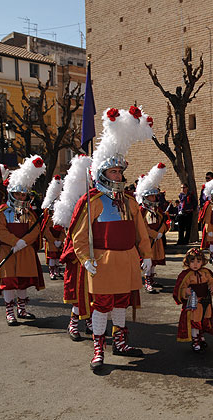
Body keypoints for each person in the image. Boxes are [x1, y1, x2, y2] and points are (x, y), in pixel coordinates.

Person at [69, 105, 154, 370]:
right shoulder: (93, 201)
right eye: (113, 172)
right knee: (101, 306)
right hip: (102, 262)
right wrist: (84, 259)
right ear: (102, 175)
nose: (118, 175)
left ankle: (120, 342)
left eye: (119, 171)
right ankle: (98, 349)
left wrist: (148, 256)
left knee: (121, 303)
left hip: (127, 260)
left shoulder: (129, 201)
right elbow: (80, 236)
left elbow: (141, 233)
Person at [0, 155, 46, 325]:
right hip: (7, 250)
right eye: (18, 194)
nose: (21, 197)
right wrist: (15, 242)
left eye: (24, 195)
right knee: (9, 282)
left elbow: (35, 230)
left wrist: (24, 242)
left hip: (25, 250)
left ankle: (22, 309)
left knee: (23, 281)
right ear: (12, 194)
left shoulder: (29, 213)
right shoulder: (2, 211)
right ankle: (9, 312)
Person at [55, 154, 94, 341]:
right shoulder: (72, 206)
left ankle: (90, 322)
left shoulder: (94, 202)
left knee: (94, 292)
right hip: (78, 256)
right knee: (79, 293)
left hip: (95, 253)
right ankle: (73, 323)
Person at [173, 247, 213, 353]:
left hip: (206, 301)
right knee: (194, 320)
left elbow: (212, 281)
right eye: (192, 261)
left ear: (202, 261)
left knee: (204, 319)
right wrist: (185, 291)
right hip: (194, 302)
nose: (195, 264)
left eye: (198, 261)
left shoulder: (206, 272)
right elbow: (180, 288)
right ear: (187, 262)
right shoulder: (186, 275)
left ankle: (200, 336)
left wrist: (212, 287)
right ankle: (195, 339)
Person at [136, 162, 169, 293]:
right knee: (147, 259)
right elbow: (142, 227)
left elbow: (163, 222)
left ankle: (152, 278)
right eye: (151, 196)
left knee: (155, 260)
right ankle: (147, 281)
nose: (154, 198)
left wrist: (161, 232)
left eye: (154, 195)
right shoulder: (141, 211)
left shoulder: (157, 210)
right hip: (147, 240)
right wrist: (154, 235)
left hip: (157, 240)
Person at [41, 175, 65, 280]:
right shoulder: (48, 217)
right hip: (51, 240)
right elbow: (46, 229)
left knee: (58, 256)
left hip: (58, 237)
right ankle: (52, 270)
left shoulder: (61, 212)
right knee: (52, 256)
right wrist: (53, 240)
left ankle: (57, 270)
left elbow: (64, 228)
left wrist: (60, 239)